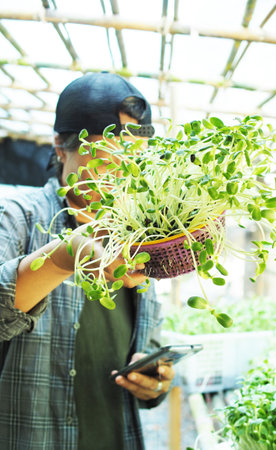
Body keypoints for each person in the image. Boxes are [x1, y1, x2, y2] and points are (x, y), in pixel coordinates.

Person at [0, 72, 174, 450]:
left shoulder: (140, 234)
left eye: (134, 162)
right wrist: (65, 256)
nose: (121, 176)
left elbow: (150, 336)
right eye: (106, 157)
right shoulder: (16, 216)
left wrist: (153, 383)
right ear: (61, 147)